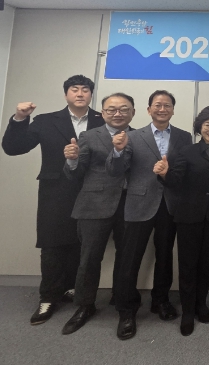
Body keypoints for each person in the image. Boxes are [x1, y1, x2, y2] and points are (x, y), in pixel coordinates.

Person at [1, 75, 104, 325]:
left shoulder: (102, 120)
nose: (80, 93)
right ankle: (48, 296)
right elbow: (13, 148)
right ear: (66, 94)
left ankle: (71, 287)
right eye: (74, 89)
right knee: (52, 244)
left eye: (85, 90)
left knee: (82, 242)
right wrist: (20, 118)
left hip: (91, 190)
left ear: (91, 94)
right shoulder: (46, 120)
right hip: (55, 190)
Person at [105, 90, 192, 340]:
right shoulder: (131, 136)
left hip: (170, 204)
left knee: (165, 255)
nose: (162, 109)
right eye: (157, 105)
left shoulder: (184, 137)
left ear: (173, 110)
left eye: (167, 105)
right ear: (148, 109)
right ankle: (126, 310)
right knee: (130, 258)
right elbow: (115, 170)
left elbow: (185, 172)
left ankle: (160, 300)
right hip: (138, 204)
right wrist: (117, 151)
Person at [154, 106, 209, 336]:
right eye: (207, 125)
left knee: (206, 262)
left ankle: (201, 304)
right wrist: (164, 173)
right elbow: (176, 181)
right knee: (188, 264)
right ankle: (188, 311)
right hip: (188, 216)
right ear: (200, 127)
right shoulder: (187, 151)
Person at [61, 93, 135, 336]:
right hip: (93, 205)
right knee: (89, 258)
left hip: (131, 206)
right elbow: (76, 173)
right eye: (111, 109)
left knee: (127, 259)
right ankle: (84, 306)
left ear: (133, 112)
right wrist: (72, 160)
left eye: (124, 109)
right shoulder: (89, 136)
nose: (118, 113)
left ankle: (124, 306)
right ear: (102, 113)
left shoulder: (140, 137)